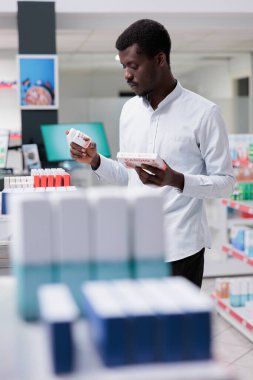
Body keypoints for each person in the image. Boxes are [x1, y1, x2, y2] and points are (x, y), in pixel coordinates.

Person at [68, 19, 235, 288]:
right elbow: (130, 178)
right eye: (123, 66)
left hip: (180, 250)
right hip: (137, 246)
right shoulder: (130, 112)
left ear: (160, 59)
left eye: (133, 66)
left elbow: (226, 183)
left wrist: (176, 180)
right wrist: (95, 161)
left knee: (178, 330)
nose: (126, 75)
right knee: (140, 328)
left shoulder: (204, 113)